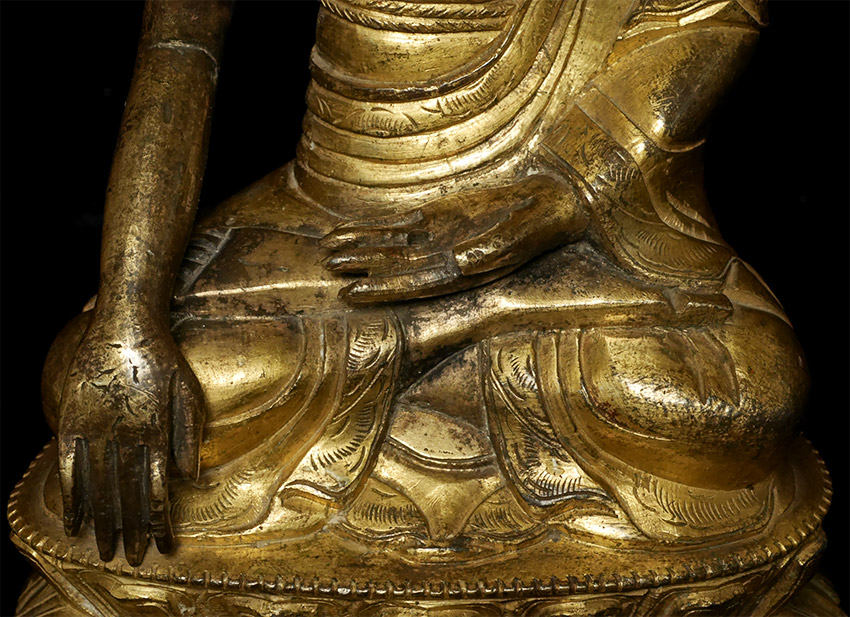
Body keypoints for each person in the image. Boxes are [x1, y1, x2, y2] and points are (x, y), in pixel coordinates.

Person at [43, 0, 807, 571]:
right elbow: (179, 43)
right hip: (329, 222)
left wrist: (557, 196)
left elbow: (706, 15)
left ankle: (456, 326)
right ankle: (467, 323)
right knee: (108, 383)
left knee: (749, 392)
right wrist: (130, 319)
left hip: (572, 222)